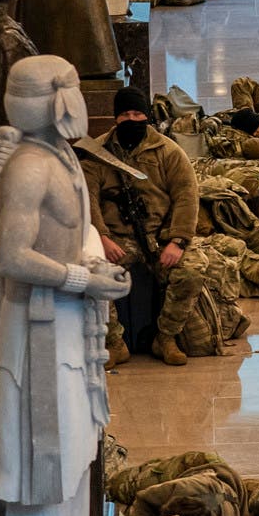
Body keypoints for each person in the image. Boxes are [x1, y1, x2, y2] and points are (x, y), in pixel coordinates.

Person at [84, 87, 199, 367]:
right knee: (92, 274)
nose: (132, 119)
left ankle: (166, 338)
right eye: (125, 114)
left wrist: (178, 241)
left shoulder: (167, 151)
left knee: (192, 273)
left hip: (161, 238)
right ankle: (114, 342)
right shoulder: (97, 152)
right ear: (116, 118)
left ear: (146, 116)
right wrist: (101, 237)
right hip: (117, 239)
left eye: (137, 113)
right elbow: (87, 198)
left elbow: (186, 195)